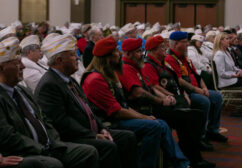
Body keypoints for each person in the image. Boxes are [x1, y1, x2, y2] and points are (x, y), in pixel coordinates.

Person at [82, 37, 191, 168]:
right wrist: (144, 117)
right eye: (117, 51)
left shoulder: (107, 74)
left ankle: (180, 163)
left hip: (118, 116)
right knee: (154, 126)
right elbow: (116, 111)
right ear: (107, 57)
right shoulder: (96, 79)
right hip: (108, 123)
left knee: (159, 123)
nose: (120, 54)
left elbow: (123, 105)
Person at [35, 34, 137, 168]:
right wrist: (93, 135)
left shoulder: (69, 80)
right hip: (72, 137)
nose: (77, 57)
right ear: (59, 60)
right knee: (108, 147)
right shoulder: (49, 85)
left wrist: (102, 129)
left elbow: (88, 111)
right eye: (72, 55)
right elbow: (61, 122)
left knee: (127, 137)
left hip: (88, 132)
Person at [0, 37, 100, 168]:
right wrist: (42, 149)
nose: (23, 66)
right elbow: (8, 135)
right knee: (53, 164)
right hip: (26, 151)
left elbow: (44, 120)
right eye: (17, 63)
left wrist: (53, 143)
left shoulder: (22, 91)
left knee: (88, 152)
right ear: (1, 68)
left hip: (48, 145)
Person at [118, 38, 215, 168]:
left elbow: (151, 87)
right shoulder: (131, 67)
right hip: (145, 108)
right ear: (128, 54)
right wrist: (163, 99)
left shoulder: (138, 65)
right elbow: (140, 92)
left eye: (141, 50)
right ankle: (189, 159)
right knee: (189, 117)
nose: (142, 54)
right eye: (138, 51)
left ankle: (189, 156)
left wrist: (175, 96)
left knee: (194, 115)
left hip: (154, 104)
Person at [142, 35, 214, 152]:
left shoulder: (162, 64)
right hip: (163, 104)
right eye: (162, 47)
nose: (165, 49)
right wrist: (174, 97)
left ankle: (193, 149)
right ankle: (190, 154)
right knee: (192, 116)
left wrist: (183, 93)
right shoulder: (149, 65)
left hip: (175, 98)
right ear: (154, 50)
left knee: (196, 115)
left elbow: (176, 81)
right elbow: (155, 87)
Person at [164, 31, 227, 143]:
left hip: (195, 89)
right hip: (185, 92)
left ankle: (212, 131)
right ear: (176, 44)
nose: (188, 44)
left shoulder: (185, 58)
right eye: (185, 42)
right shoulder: (170, 58)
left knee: (217, 97)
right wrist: (197, 90)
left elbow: (197, 75)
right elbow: (179, 80)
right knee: (204, 101)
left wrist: (204, 88)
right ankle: (200, 137)